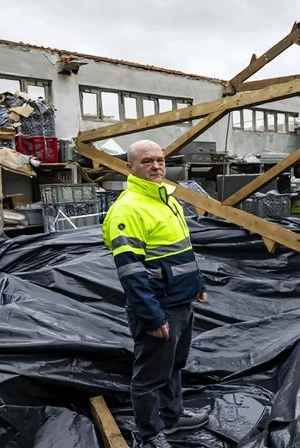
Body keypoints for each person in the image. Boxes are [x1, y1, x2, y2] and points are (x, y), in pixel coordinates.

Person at [103, 140, 208, 448]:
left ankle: (173, 417)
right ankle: (149, 433)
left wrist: (196, 285)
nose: (156, 166)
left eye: (160, 160)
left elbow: (182, 250)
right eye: (147, 161)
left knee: (174, 364)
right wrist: (151, 315)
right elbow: (130, 270)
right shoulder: (128, 209)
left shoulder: (167, 199)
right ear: (129, 167)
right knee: (149, 376)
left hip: (181, 300)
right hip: (159, 305)